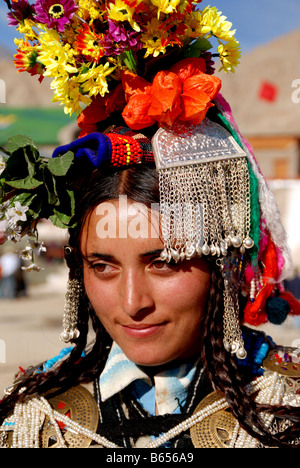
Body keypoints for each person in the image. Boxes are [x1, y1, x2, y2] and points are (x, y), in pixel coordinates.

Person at [0, 0, 299, 449]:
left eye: (162, 262)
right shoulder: (35, 420)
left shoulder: (285, 404)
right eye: (102, 265)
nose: (132, 302)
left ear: (222, 257)